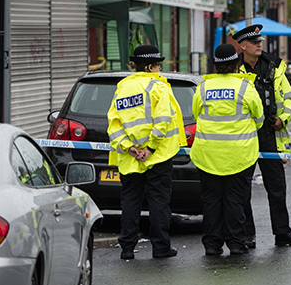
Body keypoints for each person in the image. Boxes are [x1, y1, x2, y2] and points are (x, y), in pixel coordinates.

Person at [107, 44, 186, 260]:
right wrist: (150, 148)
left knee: (130, 202)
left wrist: (129, 147)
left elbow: (113, 124)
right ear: (150, 66)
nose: (160, 69)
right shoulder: (158, 86)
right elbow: (163, 121)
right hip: (158, 156)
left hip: (129, 158)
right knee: (159, 202)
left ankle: (127, 248)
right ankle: (161, 247)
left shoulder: (122, 88)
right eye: (158, 65)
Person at [233, 24, 291, 248]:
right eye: (254, 42)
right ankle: (246, 234)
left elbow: (290, 100)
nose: (259, 45)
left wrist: (282, 119)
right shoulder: (234, 69)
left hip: (270, 134)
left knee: (277, 187)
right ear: (242, 46)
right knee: (243, 188)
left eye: (260, 42)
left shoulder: (274, 67)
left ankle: (282, 232)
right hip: (244, 135)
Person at [191, 44, 265, 256]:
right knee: (235, 201)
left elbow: (196, 114)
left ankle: (212, 245)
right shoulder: (245, 87)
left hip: (207, 155)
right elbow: (259, 118)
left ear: (215, 65)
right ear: (236, 64)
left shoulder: (203, 88)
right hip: (239, 156)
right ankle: (236, 243)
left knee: (211, 201)